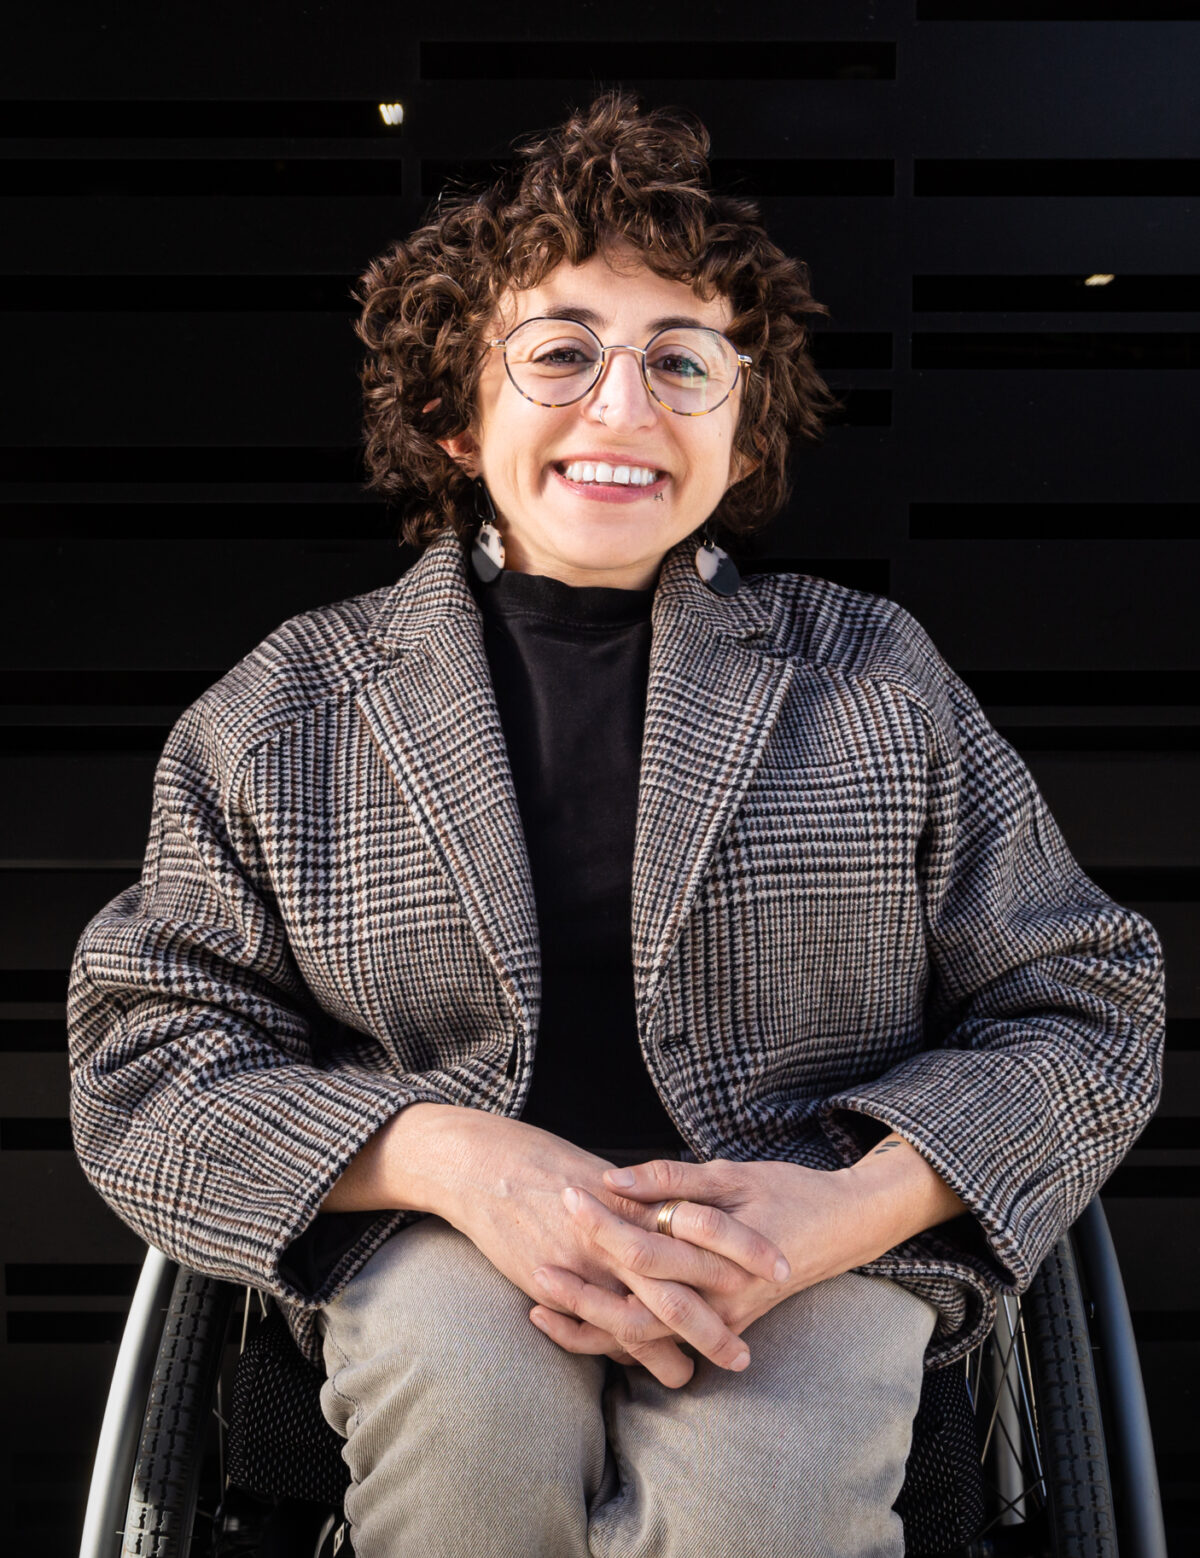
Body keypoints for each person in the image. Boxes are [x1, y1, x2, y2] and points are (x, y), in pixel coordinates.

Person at [66, 90, 1166, 1558]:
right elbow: (143, 1057)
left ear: (738, 425)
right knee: (468, 1398)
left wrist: (846, 1209)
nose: (623, 407)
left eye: (681, 362)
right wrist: (449, 1157)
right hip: (432, 1239)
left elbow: (1087, 1000)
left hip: (805, 1237)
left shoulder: (871, 680)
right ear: (459, 413)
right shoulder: (292, 707)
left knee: (766, 1484)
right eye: (563, 352)